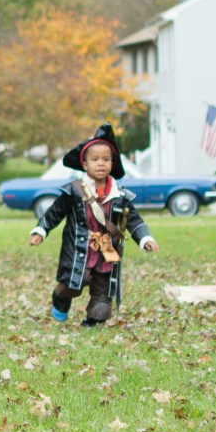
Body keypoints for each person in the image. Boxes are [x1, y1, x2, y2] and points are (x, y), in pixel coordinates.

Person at [29, 123, 158, 326]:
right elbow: (54, 212)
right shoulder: (74, 191)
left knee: (103, 286)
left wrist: (145, 238)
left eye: (106, 159)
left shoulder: (120, 194)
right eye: (95, 159)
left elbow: (133, 218)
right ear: (85, 164)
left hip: (107, 247)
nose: (101, 164)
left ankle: (94, 319)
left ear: (112, 163)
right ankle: (60, 298)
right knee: (74, 281)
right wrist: (41, 230)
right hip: (79, 246)